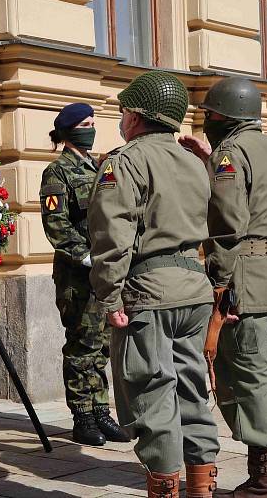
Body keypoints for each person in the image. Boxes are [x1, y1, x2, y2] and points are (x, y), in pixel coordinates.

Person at [88, 71, 219, 498]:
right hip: (194, 290)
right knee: (192, 390)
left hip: (149, 293)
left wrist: (109, 298)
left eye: (125, 110)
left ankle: (165, 490)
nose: (121, 118)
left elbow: (112, 236)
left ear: (139, 116)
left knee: (152, 394)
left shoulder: (124, 160)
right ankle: (202, 489)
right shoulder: (196, 160)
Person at [179, 76, 267, 498]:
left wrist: (219, 281)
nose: (206, 120)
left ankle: (263, 484)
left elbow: (228, 225)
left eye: (210, 115)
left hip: (245, 278)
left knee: (248, 374)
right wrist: (210, 160)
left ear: (224, 116)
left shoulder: (231, 153)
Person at [39, 103, 129, 446]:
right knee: (81, 345)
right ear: (70, 129)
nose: (91, 129)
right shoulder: (57, 172)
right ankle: (82, 416)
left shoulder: (97, 166)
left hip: (104, 272)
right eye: (86, 124)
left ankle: (100, 411)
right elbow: (56, 224)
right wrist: (85, 256)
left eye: (93, 123)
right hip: (78, 275)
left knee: (102, 345)